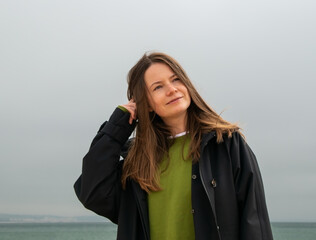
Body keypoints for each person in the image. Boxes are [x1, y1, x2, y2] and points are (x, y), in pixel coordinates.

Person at [74, 52, 273, 240]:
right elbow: (92, 192)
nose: (172, 89)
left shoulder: (226, 144)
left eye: (176, 79)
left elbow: (254, 220)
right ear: (147, 104)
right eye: (158, 87)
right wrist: (116, 127)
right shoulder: (137, 161)